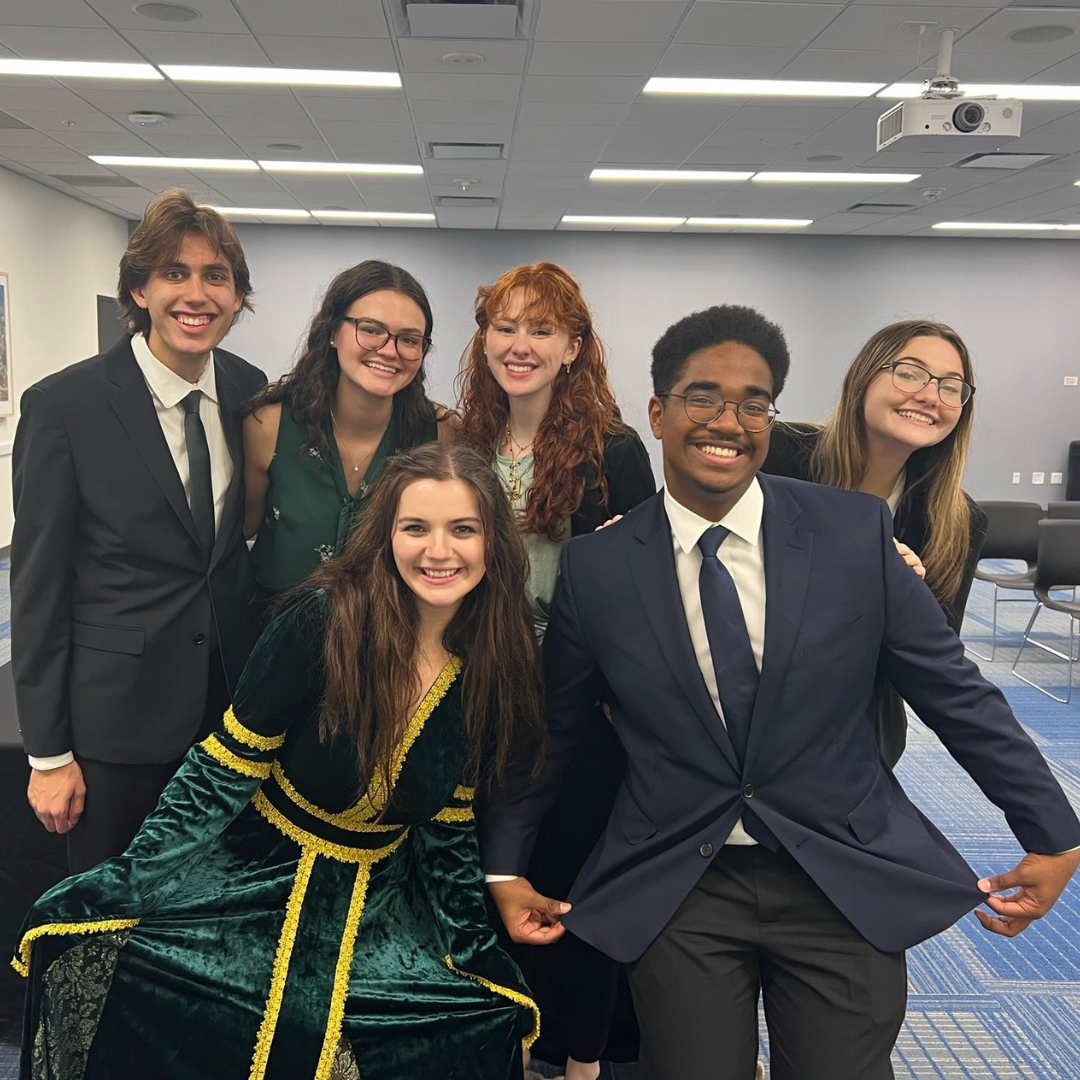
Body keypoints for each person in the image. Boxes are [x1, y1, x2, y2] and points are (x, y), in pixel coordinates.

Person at [481, 304, 1080, 1080]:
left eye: (753, 402)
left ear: (772, 418)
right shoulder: (600, 569)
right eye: (702, 397)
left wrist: (1053, 830)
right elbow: (555, 731)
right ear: (658, 415)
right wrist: (505, 866)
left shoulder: (854, 534)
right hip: (681, 878)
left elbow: (956, 696)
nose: (728, 420)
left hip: (838, 865)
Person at [15, 442, 544, 1080]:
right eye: (415, 528)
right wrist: (128, 877)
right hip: (257, 873)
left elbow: (449, 822)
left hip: (387, 901)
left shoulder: (495, 655)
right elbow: (221, 770)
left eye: (463, 529)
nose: (439, 551)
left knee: (469, 1015)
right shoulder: (323, 619)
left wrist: (475, 947)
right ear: (385, 536)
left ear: (494, 542)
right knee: (146, 973)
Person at [11, 188, 266, 873]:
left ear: (238, 296)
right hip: (115, 726)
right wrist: (48, 754)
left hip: (226, 719)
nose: (197, 294)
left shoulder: (251, 389)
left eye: (217, 276)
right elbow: (36, 586)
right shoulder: (66, 406)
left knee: (206, 917)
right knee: (109, 922)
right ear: (138, 288)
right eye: (174, 273)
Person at [458, 262, 655, 1079]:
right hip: (473, 701)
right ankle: (505, 1041)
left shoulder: (614, 452)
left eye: (541, 329)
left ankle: (581, 1060)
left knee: (570, 886)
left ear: (574, 346)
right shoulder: (459, 441)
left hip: (578, 712)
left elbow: (644, 592)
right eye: (505, 326)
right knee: (485, 880)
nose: (520, 344)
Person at [762, 318, 987, 766]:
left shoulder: (959, 521)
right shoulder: (778, 453)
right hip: (746, 707)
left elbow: (931, 669)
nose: (928, 395)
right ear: (865, 376)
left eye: (951, 386)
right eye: (909, 372)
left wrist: (907, 604)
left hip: (854, 739)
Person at [243, 260, 452, 598]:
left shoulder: (441, 436)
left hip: (387, 640)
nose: (388, 350)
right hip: (273, 636)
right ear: (331, 333)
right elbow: (239, 533)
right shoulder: (268, 426)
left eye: (409, 339)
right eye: (370, 329)